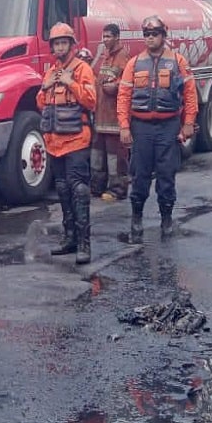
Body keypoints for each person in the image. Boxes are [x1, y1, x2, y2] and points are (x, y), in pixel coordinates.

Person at [117, 15, 197, 242]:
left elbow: (190, 94)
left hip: (168, 126)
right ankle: (136, 219)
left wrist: (188, 122)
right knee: (139, 176)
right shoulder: (134, 63)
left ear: (164, 35)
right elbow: (123, 97)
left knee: (166, 175)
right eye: (147, 35)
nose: (150, 38)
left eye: (155, 34)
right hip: (141, 127)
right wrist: (124, 126)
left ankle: (166, 219)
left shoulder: (178, 62)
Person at [37, 22, 97, 265]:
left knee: (79, 190)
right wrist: (47, 85)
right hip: (54, 142)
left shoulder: (82, 69)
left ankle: (84, 244)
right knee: (62, 189)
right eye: (57, 43)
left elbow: (91, 101)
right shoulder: (50, 71)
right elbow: (41, 104)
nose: (60, 47)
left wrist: (70, 82)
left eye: (64, 42)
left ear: (72, 45)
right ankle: (69, 237)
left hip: (76, 139)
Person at [89, 23, 130, 201]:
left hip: (114, 119)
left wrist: (115, 86)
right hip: (100, 117)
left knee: (115, 158)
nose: (105, 40)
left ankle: (118, 190)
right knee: (97, 156)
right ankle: (97, 187)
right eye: (104, 37)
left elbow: (128, 83)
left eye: (109, 36)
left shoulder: (123, 57)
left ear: (117, 37)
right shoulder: (104, 57)